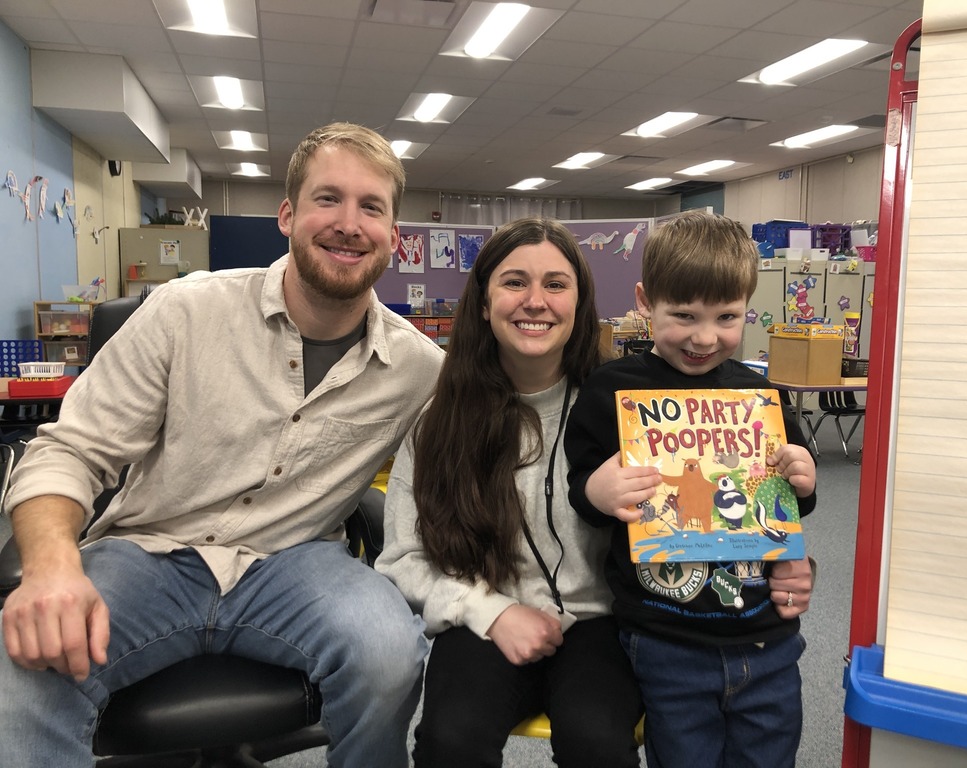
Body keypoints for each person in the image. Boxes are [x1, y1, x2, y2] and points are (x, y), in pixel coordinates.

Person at [0, 122, 445, 767]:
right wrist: (49, 566)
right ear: (287, 215)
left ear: (393, 237)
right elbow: (68, 451)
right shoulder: (184, 313)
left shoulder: (418, 369)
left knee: (389, 650)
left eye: (371, 207)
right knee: (26, 661)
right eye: (328, 199)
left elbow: (479, 461)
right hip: (149, 552)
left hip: (295, 565)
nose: (349, 223)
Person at [375, 218, 644, 768]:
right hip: (484, 614)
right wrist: (491, 612)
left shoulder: (629, 411)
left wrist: (781, 567)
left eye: (555, 284)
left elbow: (698, 517)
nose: (535, 302)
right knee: (450, 741)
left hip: (600, 623)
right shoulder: (440, 421)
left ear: (580, 302)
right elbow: (401, 558)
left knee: (598, 742)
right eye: (515, 282)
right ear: (483, 302)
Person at [564, 210, 818, 768]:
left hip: (765, 635)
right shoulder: (612, 389)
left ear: (747, 308)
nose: (706, 338)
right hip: (665, 636)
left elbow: (791, 503)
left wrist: (804, 479)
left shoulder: (760, 394)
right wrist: (597, 492)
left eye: (727, 317)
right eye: (683, 315)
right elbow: (579, 488)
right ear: (644, 301)